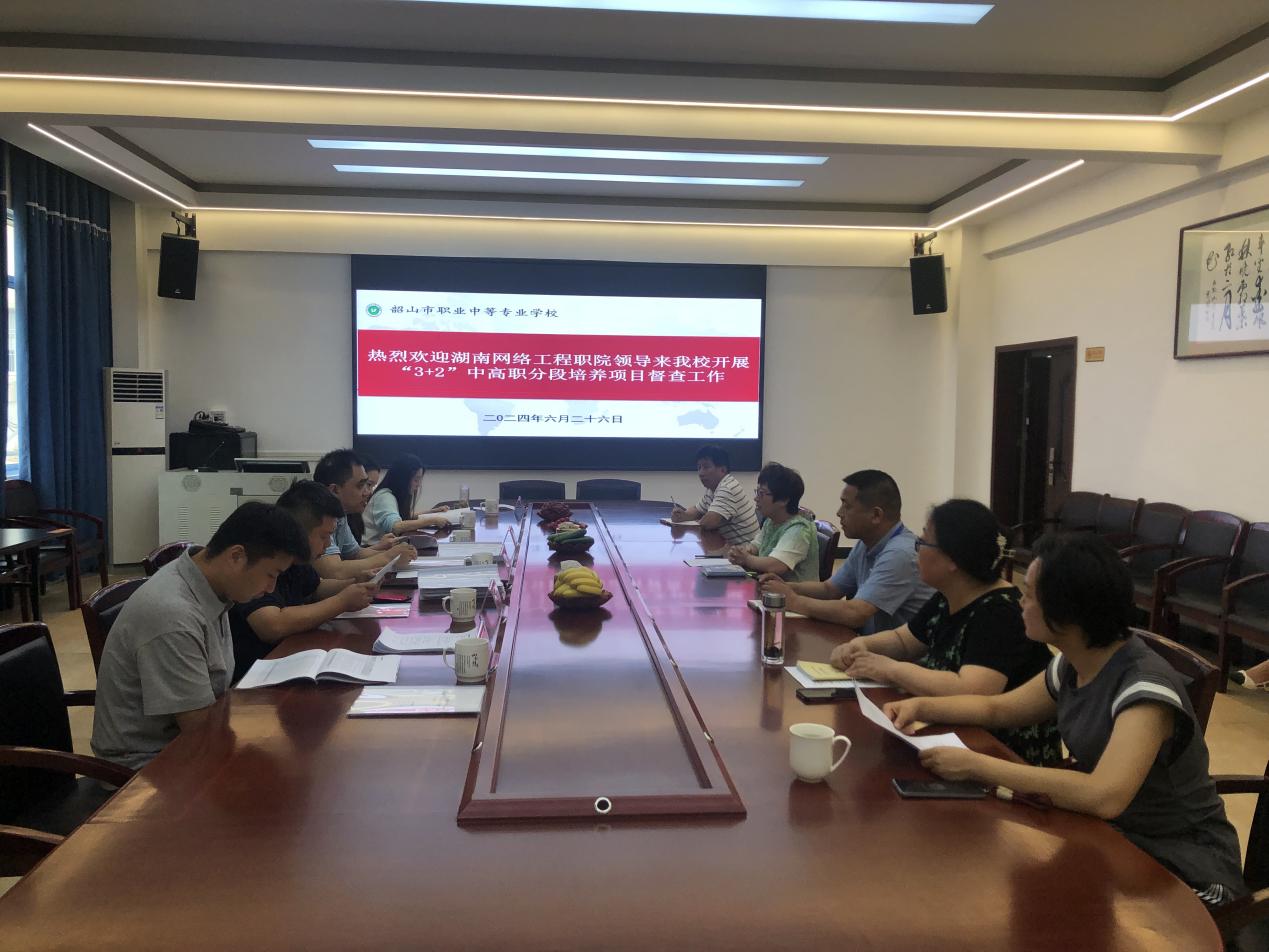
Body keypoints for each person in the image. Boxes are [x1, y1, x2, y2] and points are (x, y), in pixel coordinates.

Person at [884, 533, 1246, 910]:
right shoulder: (1074, 663)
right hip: (1113, 839)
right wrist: (922, 707)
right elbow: (999, 709)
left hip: (1185, 867)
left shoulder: (1144, 688)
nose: (1020, 602)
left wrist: (977, 766)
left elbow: (1103, 795)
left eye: (1030, 594)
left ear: (1068, 611)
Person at [828, 499, 1061, 765]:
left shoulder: (1000, 612)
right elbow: (904, 640)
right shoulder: (949, 594)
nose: (917, 550)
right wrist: (861, 646)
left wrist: (891, 669)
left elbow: (972, 690)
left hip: (1002, 752)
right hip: (952, 731)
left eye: (923, 542)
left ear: (952, 559)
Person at [91, 502, 310, 769]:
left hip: (191, 741)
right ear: (236, 556)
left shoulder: (211, 582)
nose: (271, 588)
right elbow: (201, 732)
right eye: (270, 575)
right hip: (147, 768)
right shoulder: (173, 615)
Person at [229, 480, 378, 681]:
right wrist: (342, 602)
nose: (328, 545)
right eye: (324, 536)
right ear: (298, 531)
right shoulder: (263, 555)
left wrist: (354, 583)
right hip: (254, 675)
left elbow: (316, 588)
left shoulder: (298, 560)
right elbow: (272, 625)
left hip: (284, 660)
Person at [758, 470, 932, 633]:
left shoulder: (900, 553)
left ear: (876, 515)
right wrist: (787, 587)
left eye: (847, 506)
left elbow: (856, 613)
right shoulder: (866, 543)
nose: (839, 513)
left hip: (896, 653)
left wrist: (793, 601)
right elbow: (829, 589)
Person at [312, 448, 414, 580]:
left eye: (368, 485)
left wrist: (395, 552)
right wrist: (389, 557)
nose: (368, 492)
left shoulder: (339, 513)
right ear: (335, 490)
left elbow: (355, 554)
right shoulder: (315, 514)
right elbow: (335, 571)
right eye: (360, 486)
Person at [726, 462, 819, 582]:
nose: (756, 498)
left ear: (784, 499)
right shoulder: (771, 521)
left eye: (762, 493)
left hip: (794, 592)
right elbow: (757, 545)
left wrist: (746, 559)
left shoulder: (799, 529)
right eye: (757, 492)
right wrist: (744, 551)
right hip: (770, 586)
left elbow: (776, 565)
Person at [669, 444, 760, 546]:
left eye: (706, 467)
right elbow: (697, 510)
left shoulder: (728, 488)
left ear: (723, 470)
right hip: (732, 549)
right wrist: (682, 515)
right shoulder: (712, 488)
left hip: (747, 552)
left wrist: (696, 520)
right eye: (699, 467)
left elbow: (708, 523)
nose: (701, 473)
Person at [363, 454, 450, 544]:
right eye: (416, 479)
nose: (418, 484)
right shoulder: (384, 497)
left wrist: (433, 511)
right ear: (403, 479)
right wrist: (433, 520)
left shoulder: (390, 495)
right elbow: (396, 527)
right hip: (370, 548)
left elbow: (405, 517)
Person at [346, 453, 380, 544]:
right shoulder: (336, 519)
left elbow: (354, 551)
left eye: (373, 486)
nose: (369, 492)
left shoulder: (352, 514)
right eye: (368, 484)